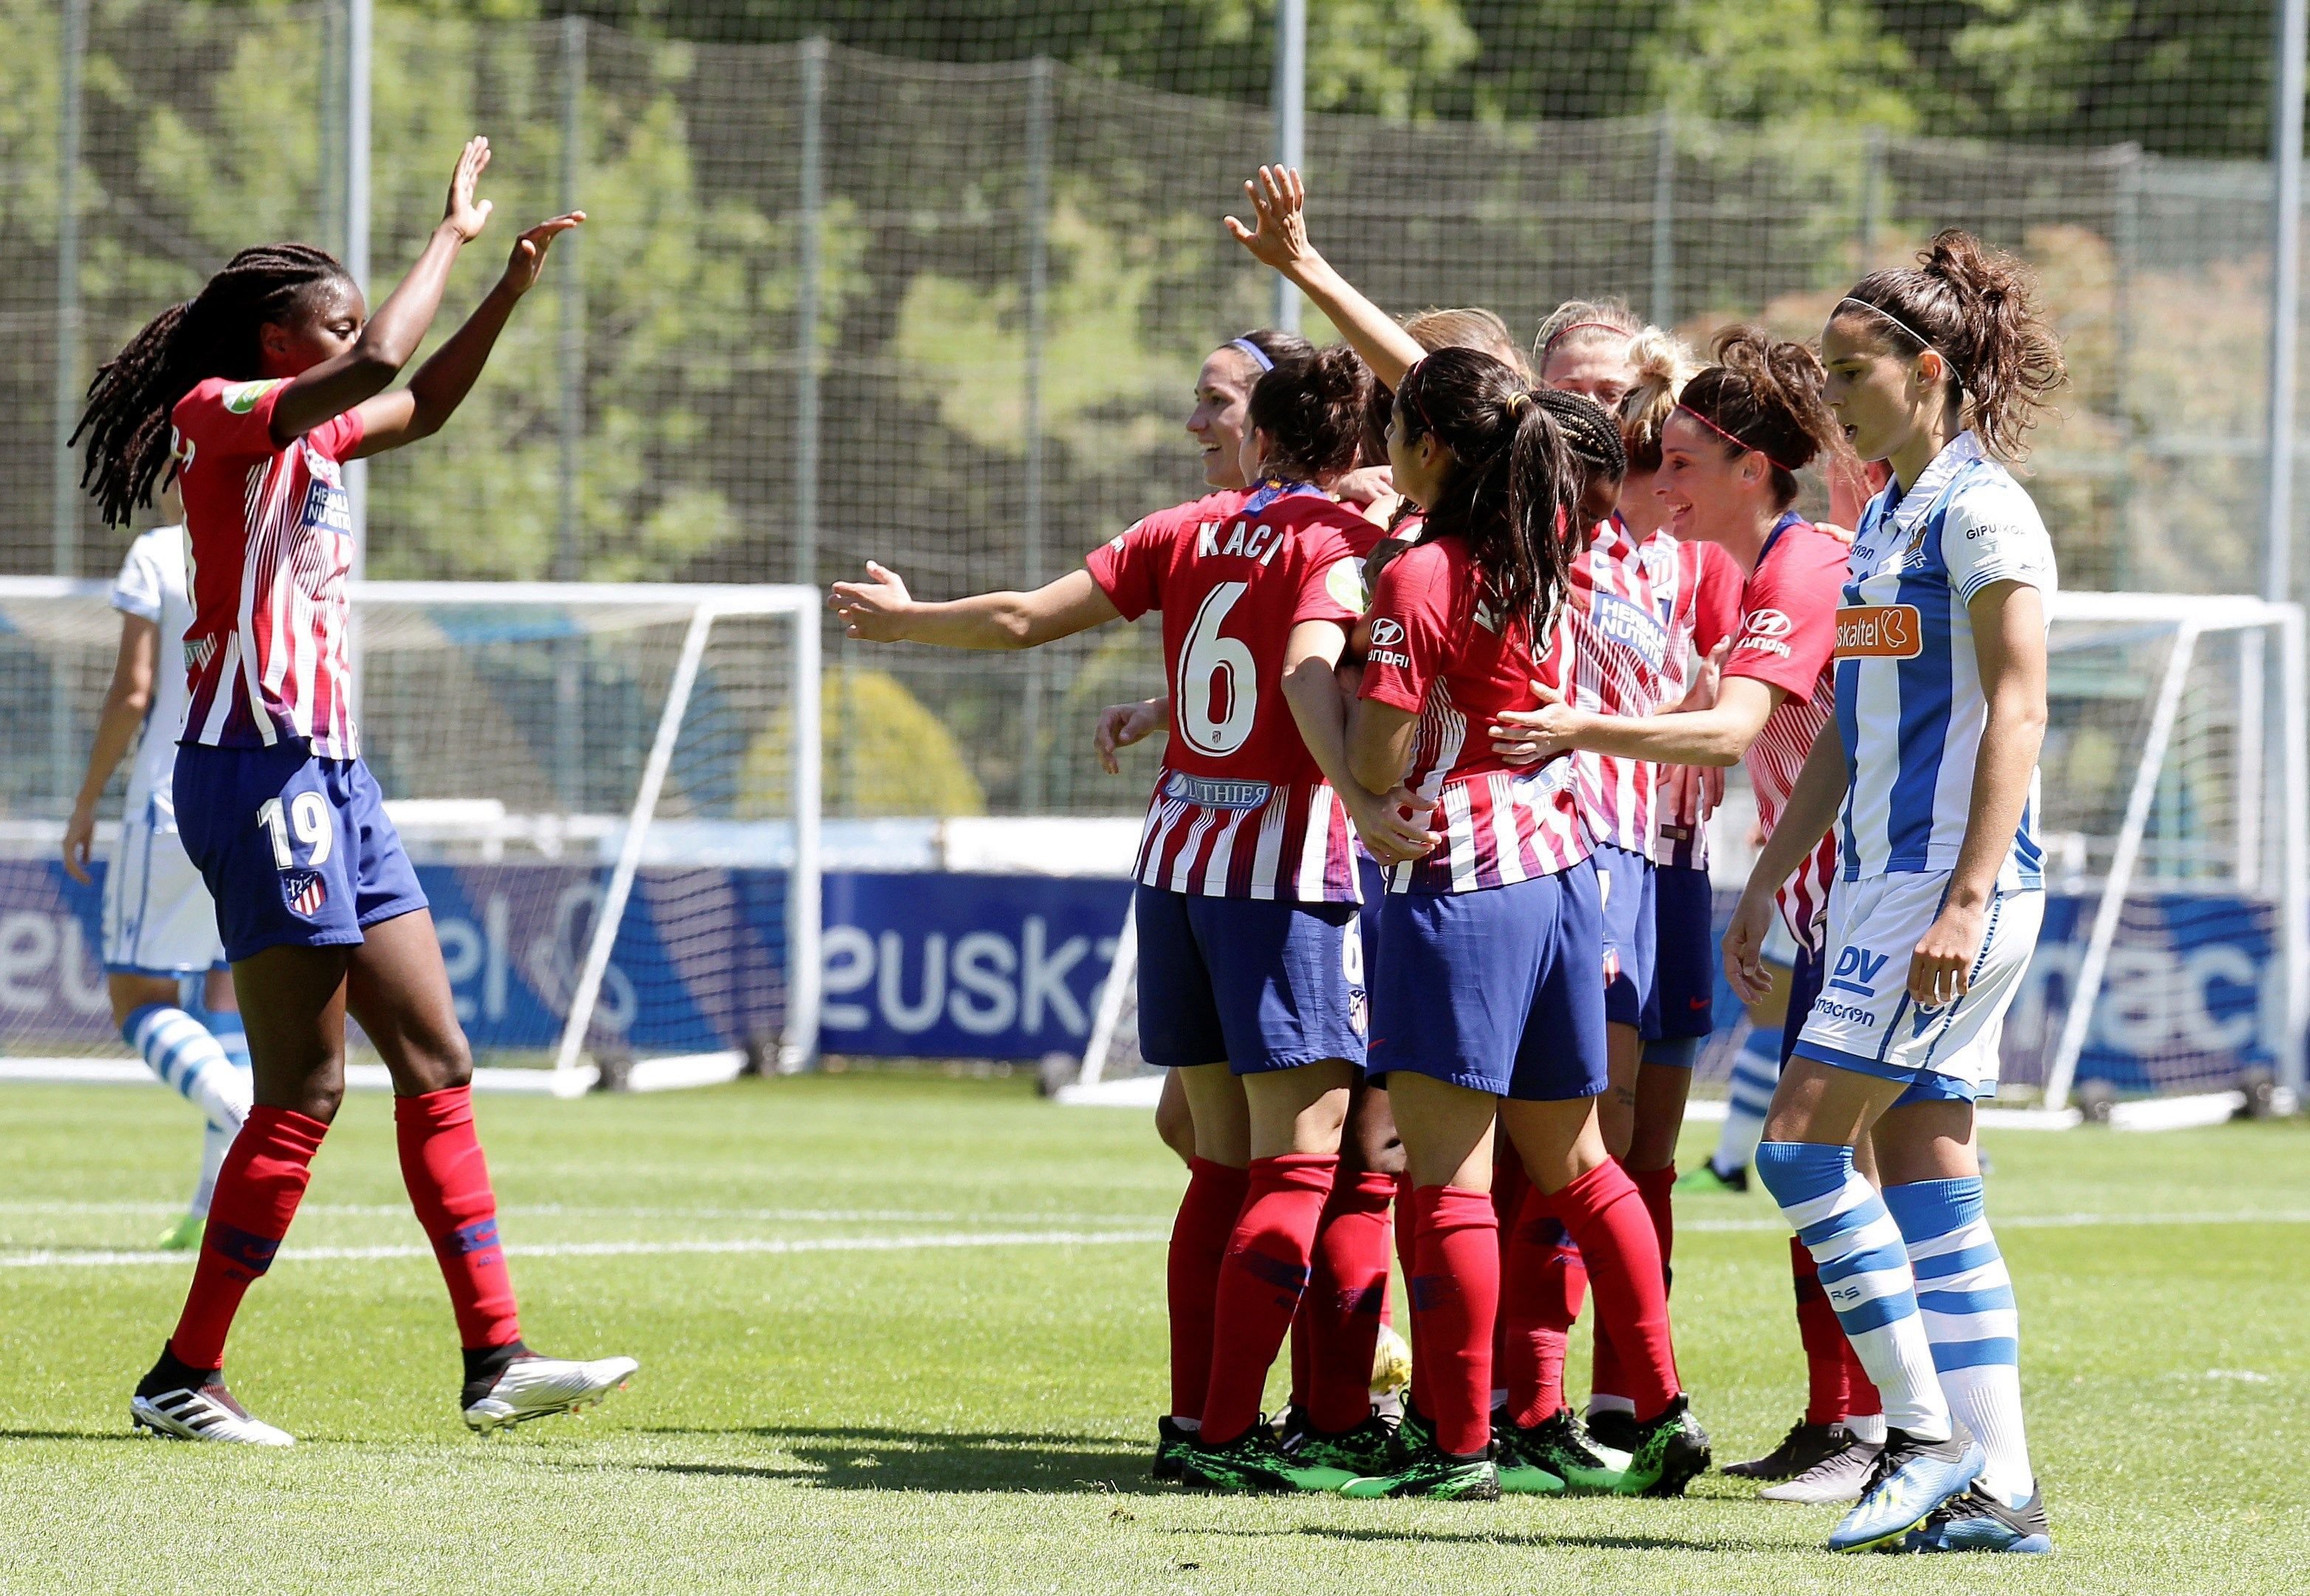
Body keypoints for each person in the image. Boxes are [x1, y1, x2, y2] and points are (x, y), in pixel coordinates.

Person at [72, 136, 635, 1445]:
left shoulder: (314, 446)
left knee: (438, 1058)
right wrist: (446, 237)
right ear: (275, 337)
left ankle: (495, 1355)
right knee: (303, 1090)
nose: (350, 332)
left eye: (348, 315)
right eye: (327, 316)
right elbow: (384, 363)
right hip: (256, 777)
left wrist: (506, 288)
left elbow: (419, 401)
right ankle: (182, 1377)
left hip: (334, 777)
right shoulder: (215, 412)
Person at [834, 344, 1436, 1495]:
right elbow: (1346, 680)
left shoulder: (1187, 529)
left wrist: (909, 622)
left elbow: (1019, 620)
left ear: (1262, 434)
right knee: (1299, 1166)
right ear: (1361, 446)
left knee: (1218, 1166)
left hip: (1177, 864)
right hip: (1286, 872)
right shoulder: (1347, 548)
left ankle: (1191, 1424)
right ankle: (1226, 1437)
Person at [1489, 328, 1886, 1496]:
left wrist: (1579, 727)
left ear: (1747, 469)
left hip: (1876, 906)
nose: (1658, 480)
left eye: (1678, 460)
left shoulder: (1802, 567)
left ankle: (1881, 1432)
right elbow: (1817, 744)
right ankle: (1846, 1423)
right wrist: (1764, 889)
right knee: (1826, 1162)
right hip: (1830, 906)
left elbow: (1724, 735)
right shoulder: (1783, 568)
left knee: (1838, 1162)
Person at [1729, 231, 2066, 1554]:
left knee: (1798, 1148)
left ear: (1928, 370)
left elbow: (2019, 709)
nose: (1831, 393)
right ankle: (2002, 1492)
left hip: (1940, 890)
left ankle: (1921, 1435)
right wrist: (1764, 880)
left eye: (1850, 369)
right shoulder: (1880, 514)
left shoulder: (1983, 511)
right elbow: (1853, 736)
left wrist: (1966, 897)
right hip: (1873, 886)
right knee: (1930, 1179)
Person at [63, 482, 253, 1252]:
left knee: (136, 996)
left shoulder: (158, 551)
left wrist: (86, 801)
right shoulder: (267, 550)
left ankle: (244, 1112)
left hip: (173, 799)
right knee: (225, 991)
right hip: (259, 795)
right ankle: (216, 1210)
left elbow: (134, 690)